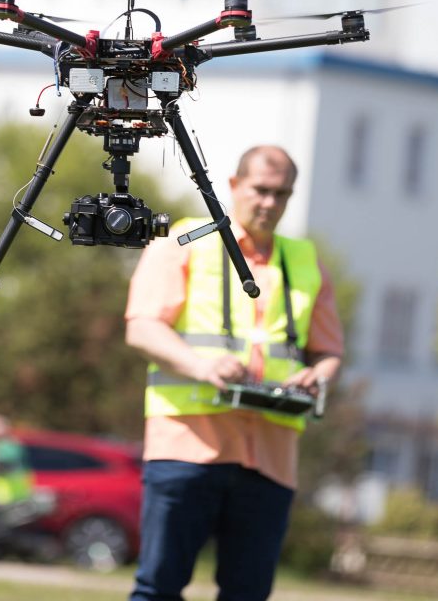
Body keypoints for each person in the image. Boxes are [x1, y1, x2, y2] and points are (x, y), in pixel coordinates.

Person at [124, 145, 343, 601]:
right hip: (187, 447)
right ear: (234, 186)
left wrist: (318, 375)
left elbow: (328, 352)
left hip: (270, 457)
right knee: (157, 589)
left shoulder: (305, 261)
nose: (270, 203)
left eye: (282, 194)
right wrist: (202, 366)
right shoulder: (182, 240)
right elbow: (142, 328)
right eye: (261, 190)